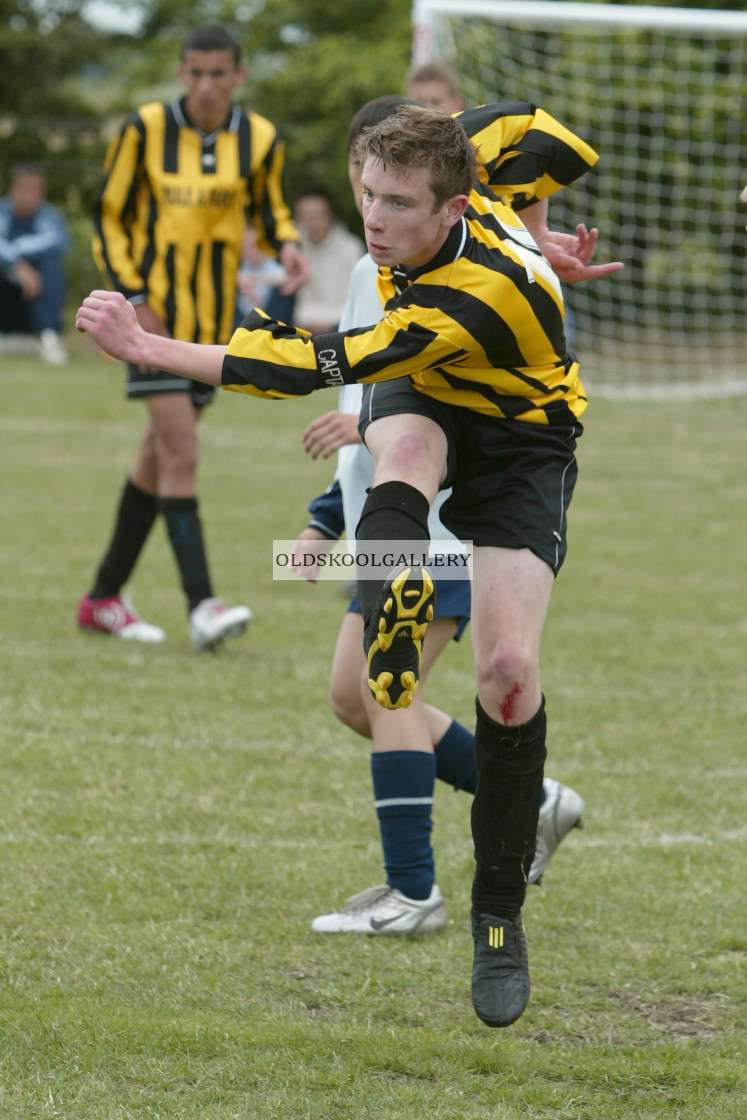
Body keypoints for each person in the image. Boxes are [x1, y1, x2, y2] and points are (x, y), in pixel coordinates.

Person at [76, 103, 623, 1028]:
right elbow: (557, 139)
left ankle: (496, 915)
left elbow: (302, 363)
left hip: (525, 441)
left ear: (452, 209)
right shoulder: (462, 157)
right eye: (368, 192)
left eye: (398, 203)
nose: (374, 219)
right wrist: (538, 237)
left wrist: (146, 345)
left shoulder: (467, 293)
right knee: (401, 459)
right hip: (429, 400)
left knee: (507, 675)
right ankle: (393, 600)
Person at [291, 96, 585, 938]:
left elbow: (418, 398)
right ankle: (532, 797)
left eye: (387, 185)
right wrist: (322, 517)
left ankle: (411, 892)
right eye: (365, 179)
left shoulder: (451, 263)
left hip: (444, 526)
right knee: (354, 697)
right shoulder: (371, 266)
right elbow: (364, 404)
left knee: (389, 695)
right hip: (377, 516)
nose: (371, 198)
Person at [77, 24, 309, 650]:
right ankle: (203, 605)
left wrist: (287, 243)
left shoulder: (260, 138)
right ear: (181, 72)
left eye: (219, 73)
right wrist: (135, 298)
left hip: (213, 328)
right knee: (180, 456)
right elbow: (109, 215)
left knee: (157, 458)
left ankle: (101, 598)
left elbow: (269, 207)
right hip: (145, 323)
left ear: (238, 75)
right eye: (195, 72)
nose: (206, 85)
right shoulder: (144, 129)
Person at [0, 162, 69, 365]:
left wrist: (16, 257)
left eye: (34, 190)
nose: (28, 196)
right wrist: (17, 266)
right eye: (23, 189)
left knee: (51, 267)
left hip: (36, 292)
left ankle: (48, 335)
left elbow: (58, 243)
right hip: (6, 289)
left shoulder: (50, 216)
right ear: (12, 189)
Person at [292, 185, 364, 334]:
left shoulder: (350, 247)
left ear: (329, 215)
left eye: (317, 215)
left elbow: (353, 299)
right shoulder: (292, 247)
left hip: (337, 324)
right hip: (295, 322)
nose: (312, 222)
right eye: (305, 216)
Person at [235, 225, 288, 321]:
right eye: (248, 247)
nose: (253, 251)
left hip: (269, 315)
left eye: (257, 246)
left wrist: (258, 279)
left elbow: (284, 277)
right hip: (242, 316)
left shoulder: (270, 263)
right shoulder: (241, 266)